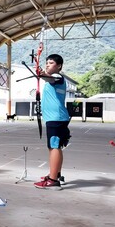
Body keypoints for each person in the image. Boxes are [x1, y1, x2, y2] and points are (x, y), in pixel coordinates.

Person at [34, 54, 70, 190]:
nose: (48, 65)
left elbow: (49, 78)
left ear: (59, 66)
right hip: (55, 118)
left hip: (56, 118)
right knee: (54, 147)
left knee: (54, 146)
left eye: (51, 63)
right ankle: (55, 174)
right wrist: (42, 74)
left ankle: (53, 181)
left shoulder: (58, 77)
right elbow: (47, 78)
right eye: (46, 63)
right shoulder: (52, 79)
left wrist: (41, 74)